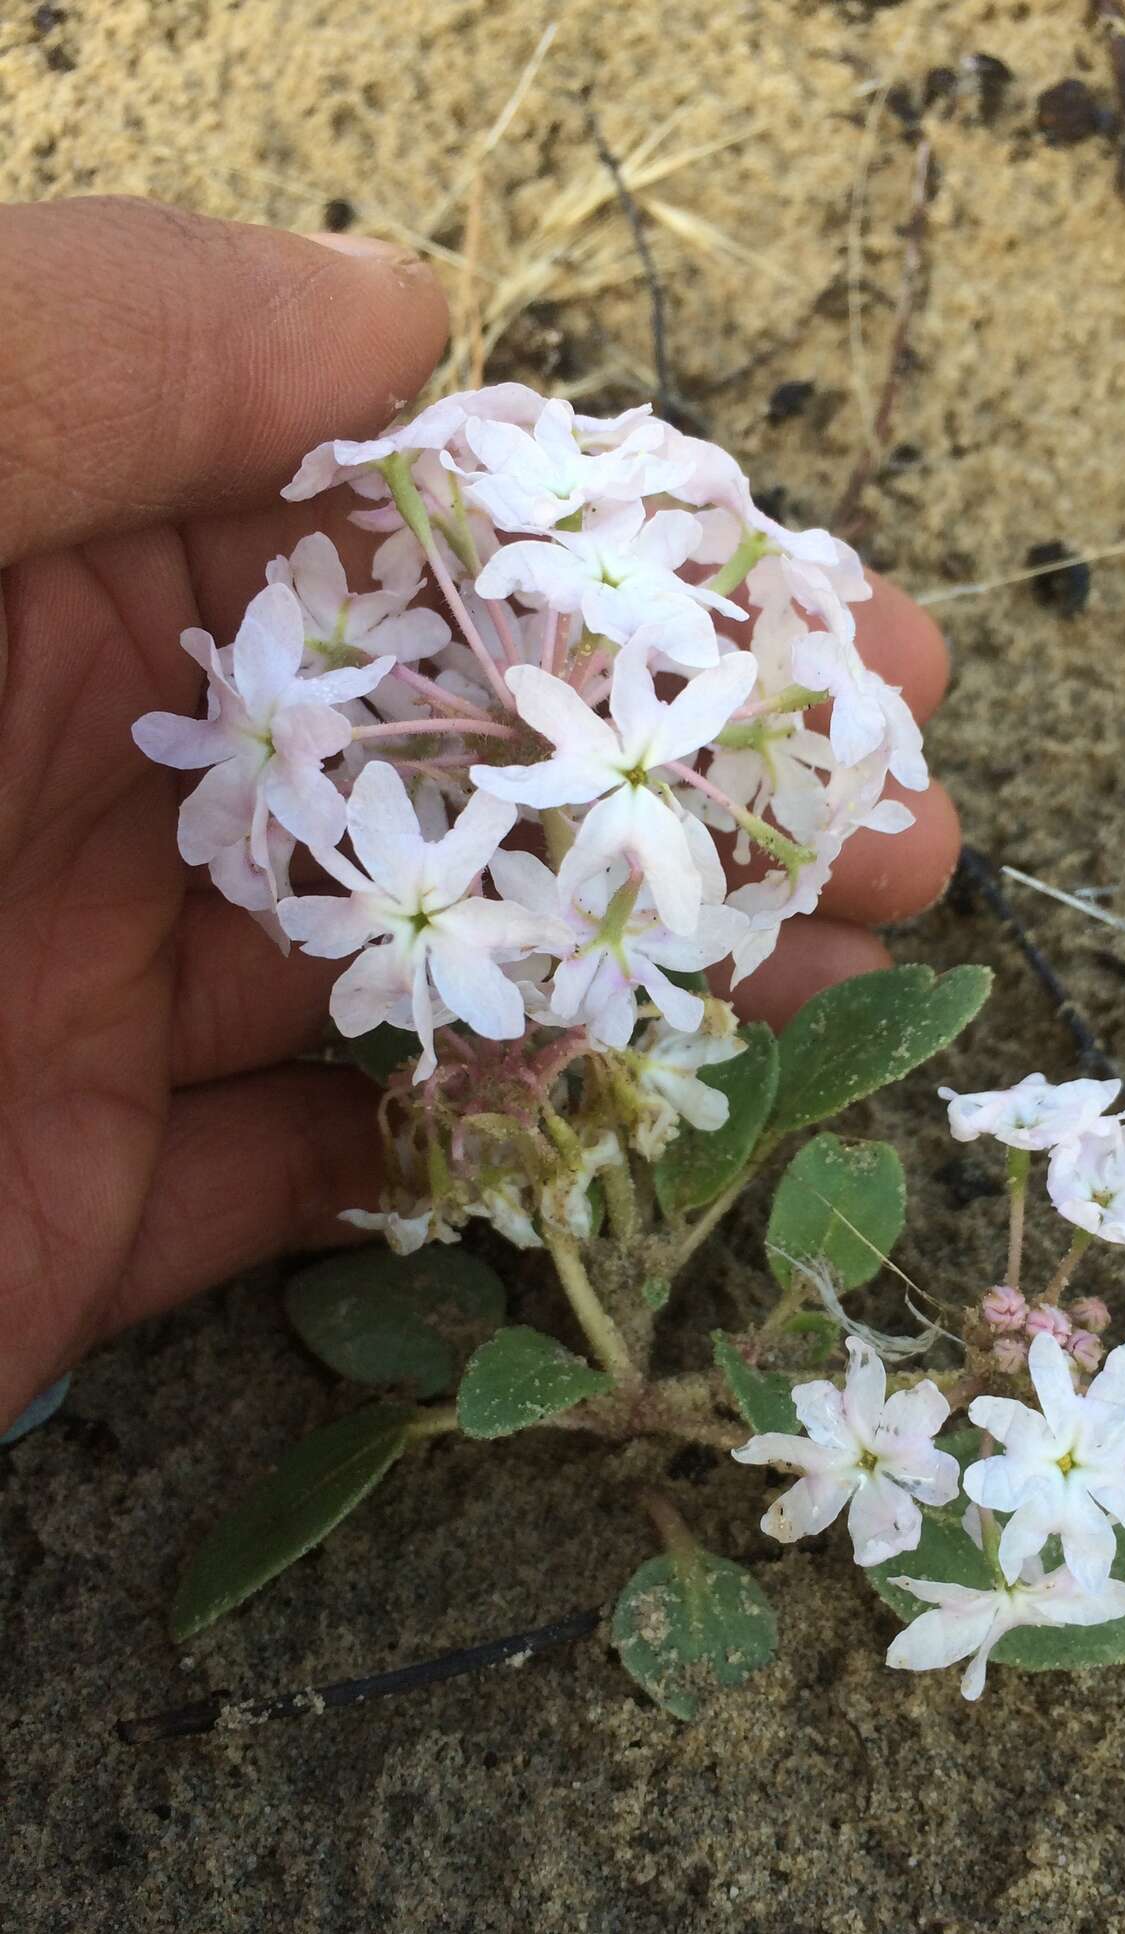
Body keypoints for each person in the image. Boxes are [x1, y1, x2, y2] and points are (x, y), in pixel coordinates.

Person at [0, 197, 960, 1434]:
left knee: (677, 982)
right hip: (459, 837)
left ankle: (625, 1233)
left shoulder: (650, 641)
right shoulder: (328, 679)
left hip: (571, 804)